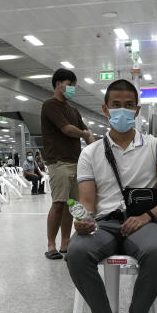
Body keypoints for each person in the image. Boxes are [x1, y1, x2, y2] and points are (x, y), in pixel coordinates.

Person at [67, 79, 157, 313]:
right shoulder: (90, 153)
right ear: (106, 109)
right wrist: (83, 221)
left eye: (129, 106)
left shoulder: (155, 148)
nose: (122, 111)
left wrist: (147, 216)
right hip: (104, 223)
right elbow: (87, 202)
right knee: (77, 252)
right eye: (116, 105)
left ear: (137, 110)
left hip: (142, 221)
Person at [41, 67, 94, 260]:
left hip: (75, 162)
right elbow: (68, 130)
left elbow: (86, 131)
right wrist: (84, 134)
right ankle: (51, 245)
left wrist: (97, 149)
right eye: (70, 85)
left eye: (74, 86)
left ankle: (65, 243)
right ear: (59, 84)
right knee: (58, 203)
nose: (72, 89)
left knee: (72, 205)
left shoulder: (73, 110)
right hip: (59, 162)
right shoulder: (50, 105)